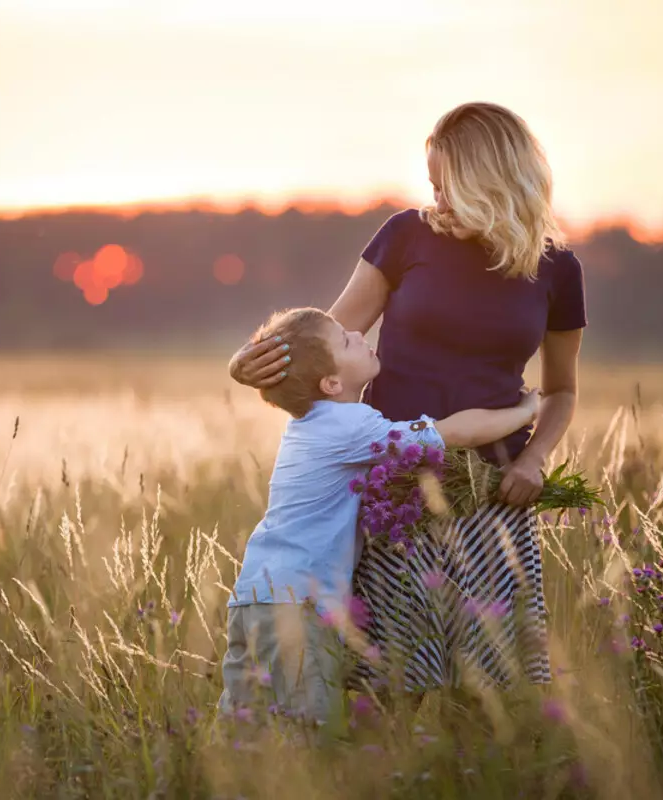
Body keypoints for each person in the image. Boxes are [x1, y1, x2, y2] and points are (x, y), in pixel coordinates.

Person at [228, 102, 586, 696]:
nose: (436, 200)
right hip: (395, 492)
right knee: (388, 683)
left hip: (493, 495)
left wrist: (533, 458)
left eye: (449, 186)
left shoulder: (557, 270)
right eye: (433, 185)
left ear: (491, 181)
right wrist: (250, 363)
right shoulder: (406, 236)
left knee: (494, 685)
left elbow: (562, 390)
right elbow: (326, 342)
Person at [218, 306, 541, 725]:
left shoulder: (310, 425)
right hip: (299, 602)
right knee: (308, 730)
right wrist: (526, 411)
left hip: (255, 595)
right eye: (345, 340)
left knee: (246, 724)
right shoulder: (350, 424)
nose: (357, 332)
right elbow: (455, 431)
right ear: (331, 382)